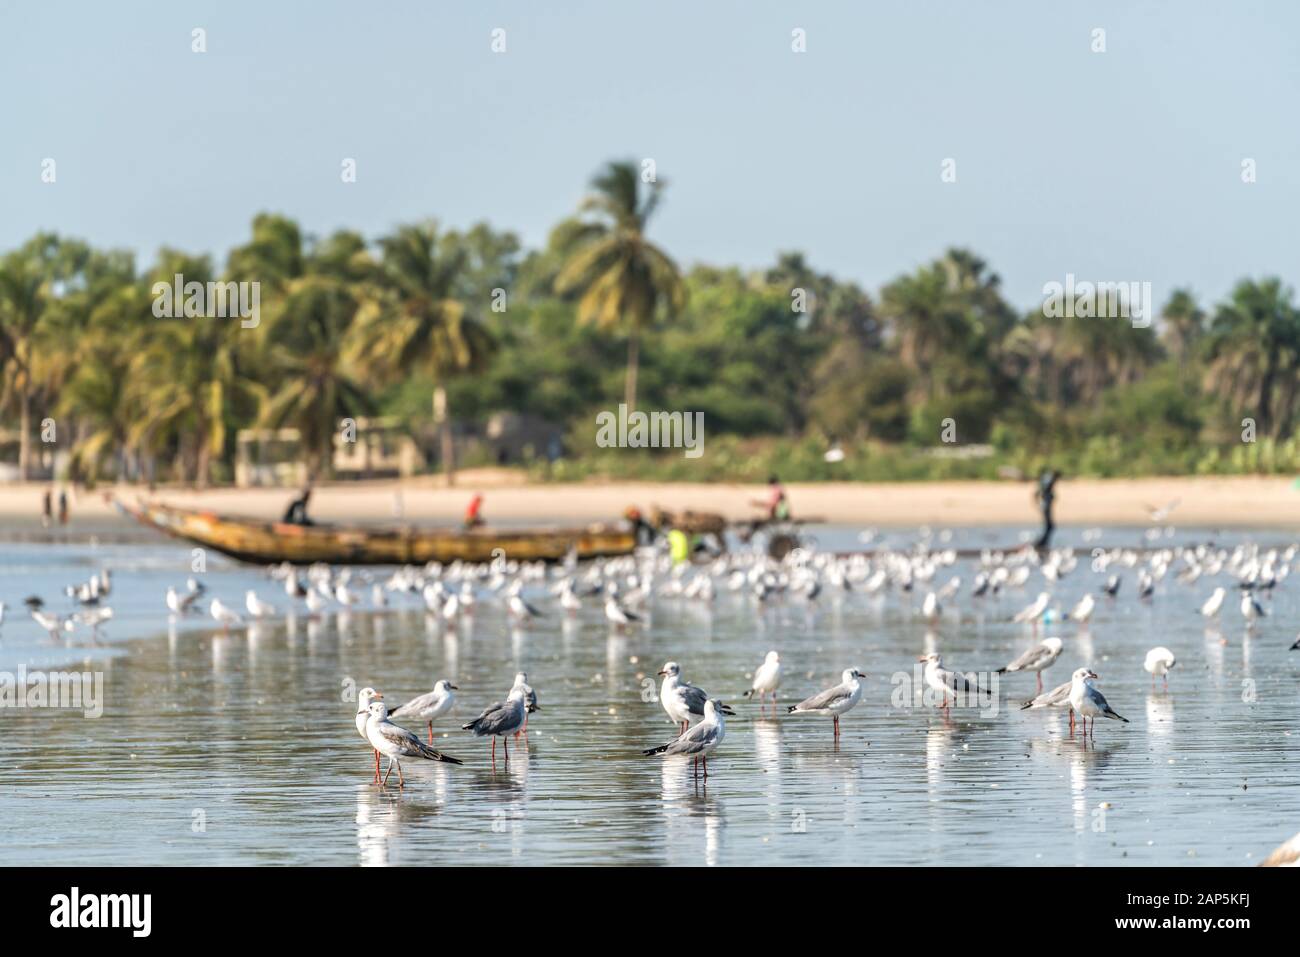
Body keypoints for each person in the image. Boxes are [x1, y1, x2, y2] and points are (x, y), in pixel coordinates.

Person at [1033, 469, 1059, 549]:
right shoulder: (1048, 481)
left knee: (1050, 526)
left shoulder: (1046, 481)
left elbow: (1037, 493)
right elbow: (1038, 493)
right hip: (1046, 507)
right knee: (1050, 526)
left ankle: (1043, 543)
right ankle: (1041, 544)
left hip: (1045, 506)